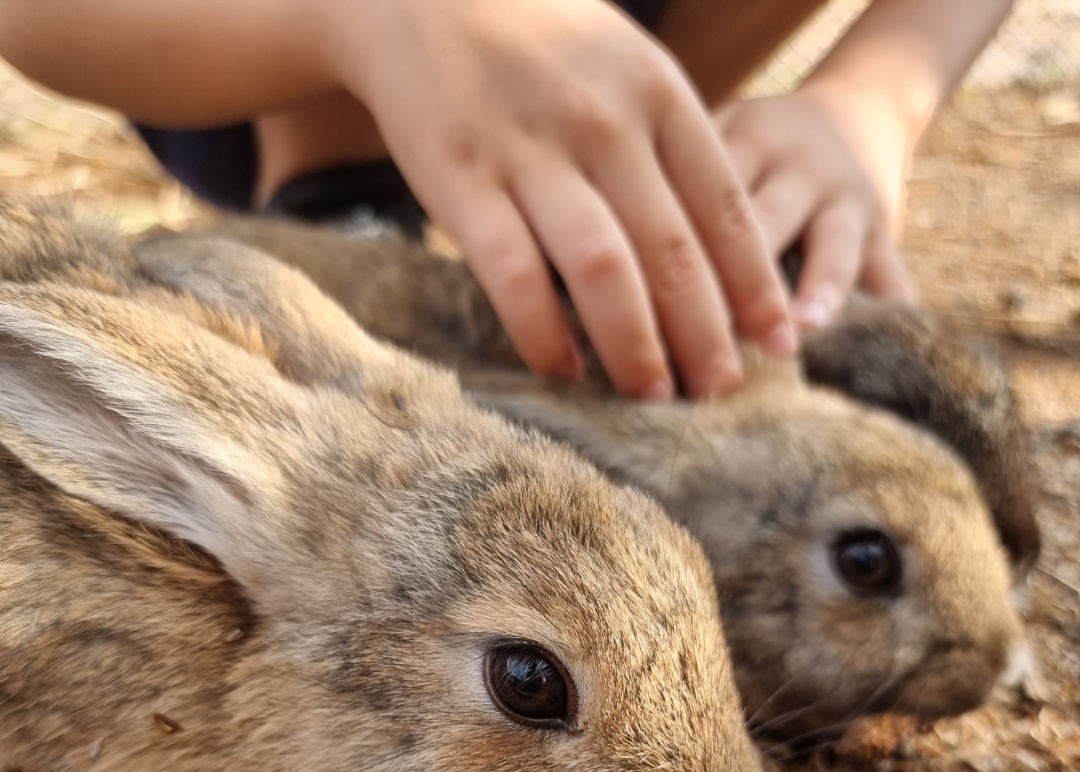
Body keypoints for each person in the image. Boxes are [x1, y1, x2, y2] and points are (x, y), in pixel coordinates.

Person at [0, 0, 1014, 400]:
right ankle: (331, 201)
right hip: (235, 42)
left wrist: (875, 96)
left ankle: (613, 196)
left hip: (627, 43)